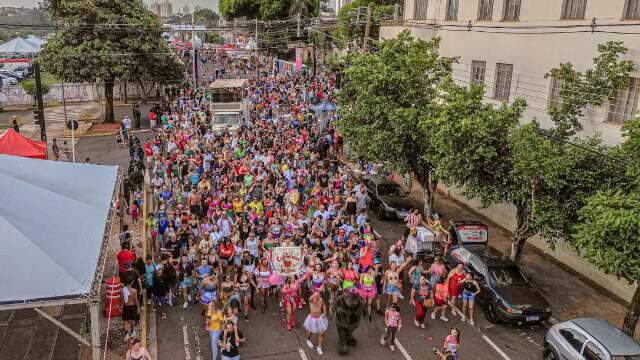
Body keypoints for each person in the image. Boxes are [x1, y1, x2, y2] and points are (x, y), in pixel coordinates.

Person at [303, 289, 328, 355]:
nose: (317, 296)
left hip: (320, 318)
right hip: (312, 319)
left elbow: (324, 305)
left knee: (321, 333)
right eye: (316, 294)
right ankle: (308, 340)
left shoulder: (321, 299)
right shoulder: (311, 299)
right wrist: (314, 293)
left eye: (318, 294)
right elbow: (311, 298)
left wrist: (325, 313)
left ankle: (319, 347)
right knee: (310, 333)